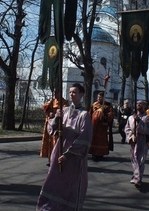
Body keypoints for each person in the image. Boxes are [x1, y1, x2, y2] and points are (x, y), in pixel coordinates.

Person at [36, 83, 93, 211]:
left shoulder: (84, 115)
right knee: (54, 181)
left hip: (73, 157)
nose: (71, 94)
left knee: (70, 184)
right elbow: (52, 130)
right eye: (70, 92)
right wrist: (56, 119)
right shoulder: (64, 111)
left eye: (75, 92)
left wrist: (68, 155)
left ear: (81, 95)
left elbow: (85, 139)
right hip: (58, 151)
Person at [125, 100, 149, 189]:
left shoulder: (147, 118)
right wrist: (131, 136)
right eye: (137, 103)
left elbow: (146, 130)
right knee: (134, 160)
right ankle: (136, 176)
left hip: (142, 141)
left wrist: (139, 121)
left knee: (140, 160)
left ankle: (138, 179)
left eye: (141, 104)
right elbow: (127, 129)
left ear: (144, 106)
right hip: (134, 142)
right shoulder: (130, 118)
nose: (138, 105)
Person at [39, 91, 68, 165]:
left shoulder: (64, 102)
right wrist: (49, 112)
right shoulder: (52, 101)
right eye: (54, 93)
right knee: (49, 142)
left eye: (56, 93)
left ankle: (55, 159)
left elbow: (66, 112)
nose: (55, 94)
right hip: (49, 123)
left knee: (55, 142)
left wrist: (56, 114)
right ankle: (49, 159)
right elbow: (45, 108)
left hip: (57, 124)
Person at [88, 92, 114, 161]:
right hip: (94, 125)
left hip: (102, 126)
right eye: (98, 97)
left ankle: (101, 153)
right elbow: (90, 113)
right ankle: (93, 152)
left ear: (104, 97)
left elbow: (111, 115)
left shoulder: (108, 105)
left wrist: (104, 116)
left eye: (100, 97)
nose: (99, 98)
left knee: (101, 140)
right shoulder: (94, 104)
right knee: (94, 139)